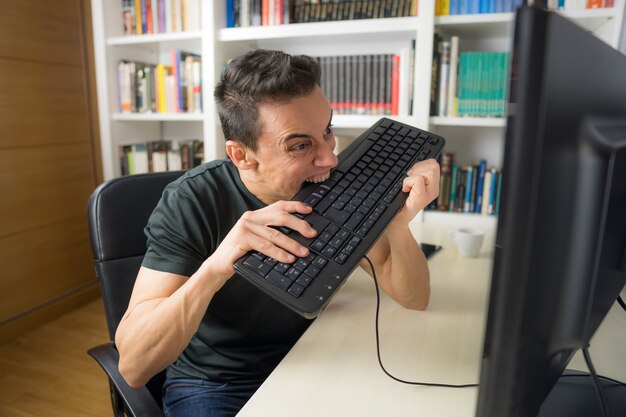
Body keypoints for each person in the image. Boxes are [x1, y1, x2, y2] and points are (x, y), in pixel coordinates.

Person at [114, 48, 440, 417]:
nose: (330, 159)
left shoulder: (332, 183)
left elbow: (414, 297)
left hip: (313, 360)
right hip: (218, 383)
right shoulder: (191, 201)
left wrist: (395, 221)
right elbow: (134, 367)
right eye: (300, 145)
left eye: (327, 131)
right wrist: (220, 264)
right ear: (241, 156)